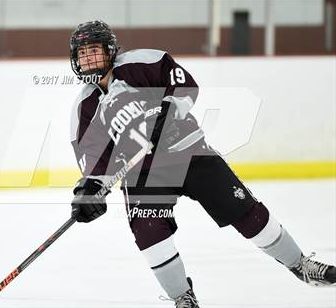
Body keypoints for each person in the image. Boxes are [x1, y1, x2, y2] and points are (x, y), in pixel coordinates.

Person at [68, 20, 335, 308]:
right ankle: (182, 297)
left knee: (248, 214)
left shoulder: (141, 62)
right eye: (82, 54)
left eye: (93, 50)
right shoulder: (84, 108)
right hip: (143, 174)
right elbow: (95, 160)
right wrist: (90, 190)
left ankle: (300, 265)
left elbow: (184, 85)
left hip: (189, 152)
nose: (88, 58)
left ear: (110, 50)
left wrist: (169, 110)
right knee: (149, 235)